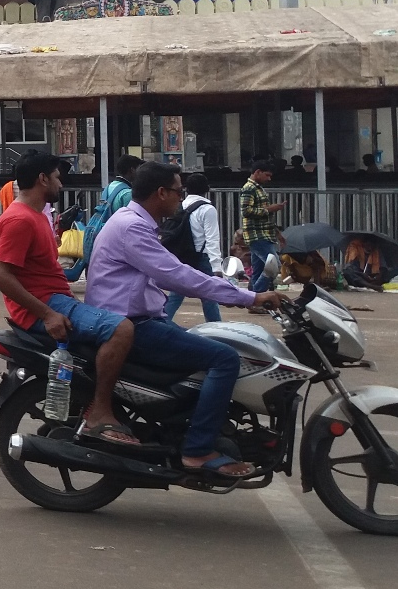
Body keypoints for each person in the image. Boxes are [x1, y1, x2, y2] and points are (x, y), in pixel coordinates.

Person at [87, 161, 286, 478]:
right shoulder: (132, 227)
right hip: (132, 326)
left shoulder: (133, 222)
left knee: (208, 341)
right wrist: (249, 296)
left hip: (142, 319)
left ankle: (183, 426)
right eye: (178, 192)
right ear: (161, 193)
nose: (182, 198)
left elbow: (169, 275)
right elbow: (177, 275)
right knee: (225, 359)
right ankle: (198, 450)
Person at [0, 152, 140, 446]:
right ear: (42, 179)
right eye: (57, 177)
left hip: (57, 300)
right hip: (47, 306)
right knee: (121, 329)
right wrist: (47, 314)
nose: (61, 183)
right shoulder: (20, 219)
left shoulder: (36, 215)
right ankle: (100, 411)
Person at [164, 172, 224, 323]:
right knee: (209, 295)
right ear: (206, 189)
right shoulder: (207, 209)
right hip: (201, 257)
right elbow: (212, 238)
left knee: (177, 293)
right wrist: (217, 266)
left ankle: (162, 320)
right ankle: (215, 326)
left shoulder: (181, 206)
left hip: (182, 255)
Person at [240, 159, 285, 294]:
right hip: (257, 235)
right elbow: (246, 211)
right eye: (267, 175)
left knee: (259, 270)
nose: (269, 179)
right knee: (274, 265)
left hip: (262, 234)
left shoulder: (257, 188)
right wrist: (270, 209)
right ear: (258, 172)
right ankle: (257, 295)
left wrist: (277, 233)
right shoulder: (249, 188)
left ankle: (254, 296)